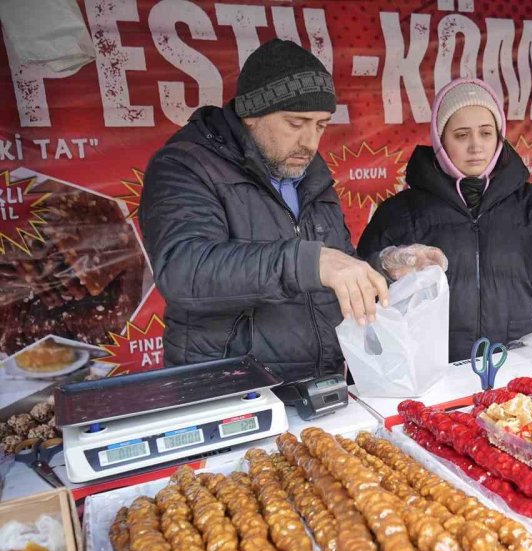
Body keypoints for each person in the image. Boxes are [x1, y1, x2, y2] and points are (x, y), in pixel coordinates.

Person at [139, 39, 444, 380]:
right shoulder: (186, 165)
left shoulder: (309, 173)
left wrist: (384, 268)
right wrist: (308, 262)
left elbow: (333, 267)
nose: (310, 142)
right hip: (231, 390)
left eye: (320, 125)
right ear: (251, 114)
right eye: (296, 124)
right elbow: (184, 269)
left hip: (318, 385)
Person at [358, 78, 532, 361]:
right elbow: (364, 283)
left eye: (486, 133)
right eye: (461, 135)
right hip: (435, 370)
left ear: (499, 137)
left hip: (519, 365)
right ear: (440, 140)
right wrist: (386, 265)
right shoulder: (400, 213)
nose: (476, 146)